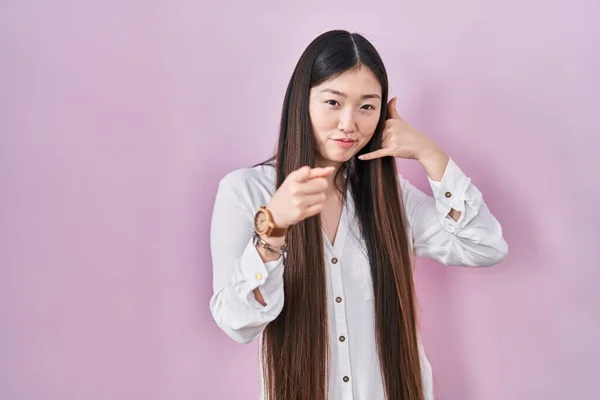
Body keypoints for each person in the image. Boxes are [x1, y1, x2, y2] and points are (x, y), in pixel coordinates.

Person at [209, 29, 508, 400]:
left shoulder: (390, 198)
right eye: (333, 103)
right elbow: (238, 323)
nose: (349, 124)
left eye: (367, 106)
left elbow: (485, 246)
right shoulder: (246, 191)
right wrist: (272, 230)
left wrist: (431, 155)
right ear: (302, 102)